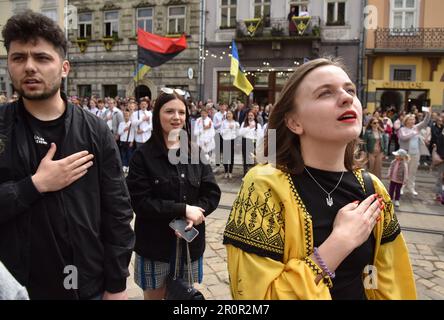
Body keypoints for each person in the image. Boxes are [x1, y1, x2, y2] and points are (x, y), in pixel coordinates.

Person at [223, 58, 416, 300]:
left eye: (350, 90)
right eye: (325, 93)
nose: (347, 98)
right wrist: (338, 244)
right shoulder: (264, 185)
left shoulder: (372, 188)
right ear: (294, 122)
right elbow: (256, 297)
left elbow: (383, 278)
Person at [0, 11, 134, 300]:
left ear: (64, 67)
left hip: (84, 286)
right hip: (16, 287)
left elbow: (118, 212)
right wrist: (34, 185)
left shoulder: (94, 130)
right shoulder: (1, 127)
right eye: (19, 58)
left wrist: (117, 284)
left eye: (42, 58)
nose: (29, 67)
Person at [126, 88, 221, 300]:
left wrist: (194, 214)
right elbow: (140, 202)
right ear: (158, 114)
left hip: (189, 243)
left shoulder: (195, 152)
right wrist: (182, 209)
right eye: (170, 111)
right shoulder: (142, 156)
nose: (176, 117)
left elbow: (212, 193)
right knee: (155, 296)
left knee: (183, 297)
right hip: (155, 245)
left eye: (181, 112)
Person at [398, 112, 431, 196]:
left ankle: (411, 187)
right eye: (410, 119)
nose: (412, 121)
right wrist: (413, 133)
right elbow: (403, 137)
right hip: (406, 153)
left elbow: (425, 122)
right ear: (406, 121)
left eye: (413, 119)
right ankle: (402, 187)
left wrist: (428, 114)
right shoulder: (402, 129)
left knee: (413, 171)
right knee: (404, 171)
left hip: (416, 153)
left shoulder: (416, 127)